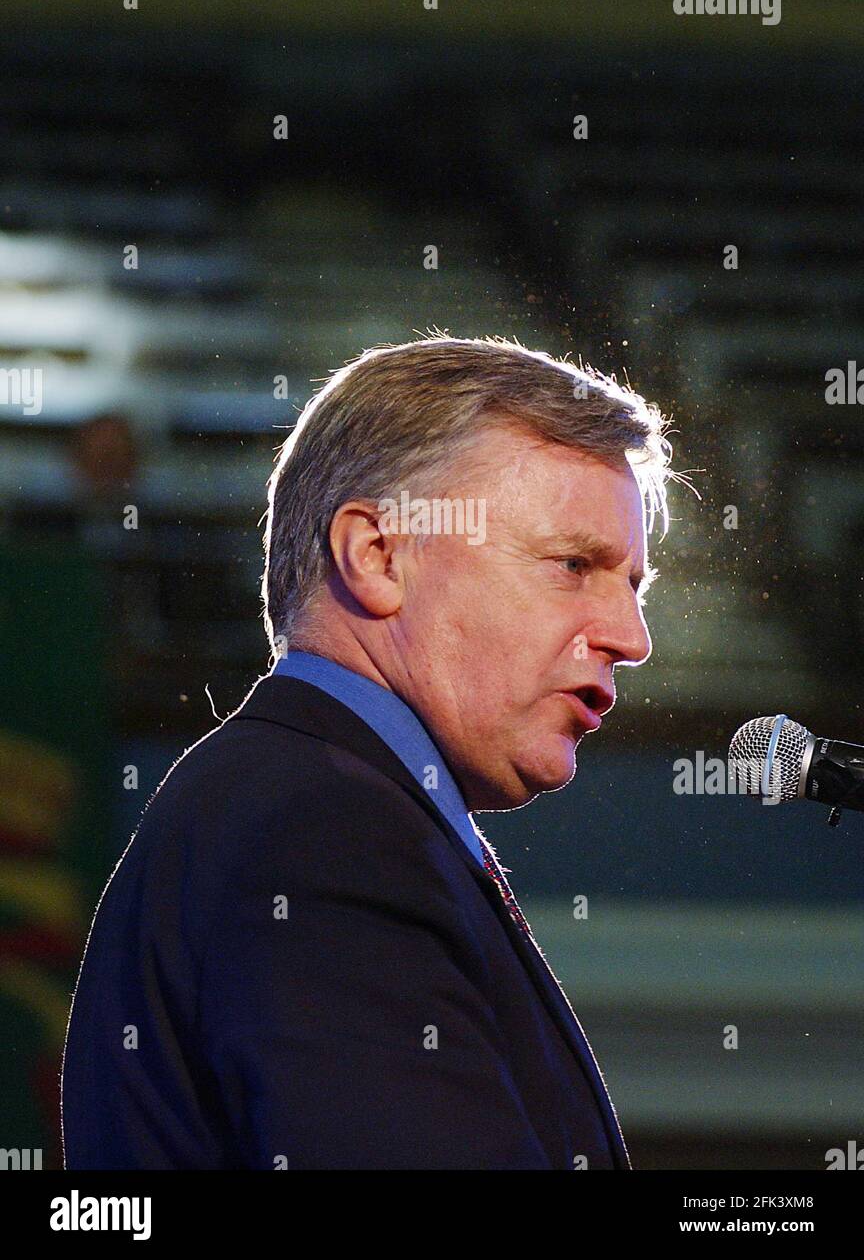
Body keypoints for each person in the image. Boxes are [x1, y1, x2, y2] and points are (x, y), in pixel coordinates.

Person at [62, 333, 673, 1169]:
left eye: (633, 587)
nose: (631, 638)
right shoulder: (325, 833)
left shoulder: (304, 803)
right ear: (378, 555)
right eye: (573, 565)